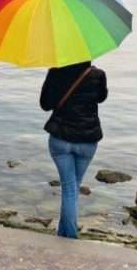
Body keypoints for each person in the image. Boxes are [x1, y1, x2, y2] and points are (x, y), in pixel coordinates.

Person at [40, 60, 108, 238]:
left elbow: (45, 104)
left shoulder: (55, 72)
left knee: (69, 189)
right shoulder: (97, 75)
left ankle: (69, 238)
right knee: (72, 188)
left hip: (61, 140)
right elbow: (101, 97)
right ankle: (64, 235)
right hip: (87, 141)